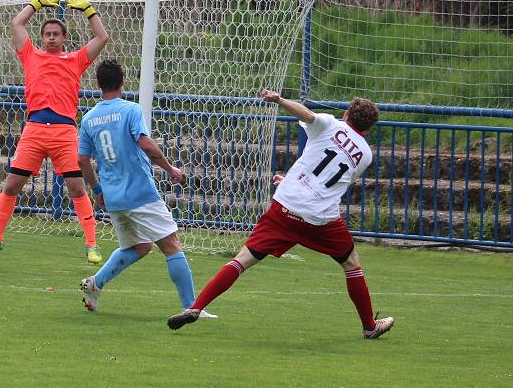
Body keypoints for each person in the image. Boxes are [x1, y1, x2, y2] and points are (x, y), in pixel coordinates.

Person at [167, 89, 394, 339]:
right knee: (351, 263)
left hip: (286, 206)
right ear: (369, 128)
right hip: (319, 218)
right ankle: (369, 326)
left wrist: (279, 100)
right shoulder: (365, 155)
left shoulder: (330, 124)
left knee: (242, 260)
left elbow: (307, 115)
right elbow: (328, 178)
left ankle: (196, 307)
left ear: (346, 114)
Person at [77, 59, 216, 320]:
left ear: (98, 85)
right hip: (140, 194)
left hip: (114, 197)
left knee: (139, 247)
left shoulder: (89, 119)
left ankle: (95, 283)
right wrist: (170, 168)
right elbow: (146, 145)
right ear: (122, 82)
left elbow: (82, 159)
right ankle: (192, 307)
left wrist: (97, 191)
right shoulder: (130, 110)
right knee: (172, 245)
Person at [0, 0, 108, 265]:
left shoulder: (75, 59)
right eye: (47, 34)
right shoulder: (30, 55)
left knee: (76, 187)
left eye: (56, 34)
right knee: (12, 185)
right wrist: (36, 3)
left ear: (64, 38)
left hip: (63, 132)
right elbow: (17, 24)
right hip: (35, 130)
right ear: (41, 38)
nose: (51, 37)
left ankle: (91, 245)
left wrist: (89, 11)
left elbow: (102, 37)